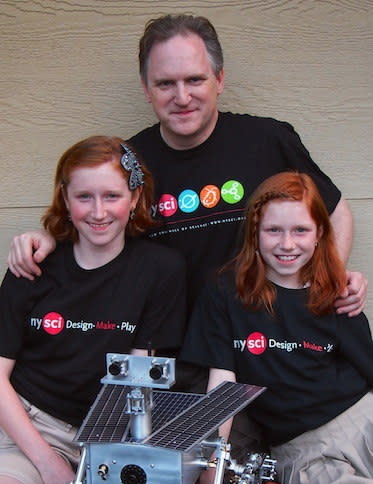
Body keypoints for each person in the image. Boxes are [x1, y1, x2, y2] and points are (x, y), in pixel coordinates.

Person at [7, 14, 367, 327]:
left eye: (195, 80)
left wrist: (323, 284)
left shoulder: (267, 139)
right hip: (167, 347)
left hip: (265, 338)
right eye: (165, 83)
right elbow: (93, 217)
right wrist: (49, 239)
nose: (181, 97)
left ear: (220, 80)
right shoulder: (129, 159)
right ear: (147, 89)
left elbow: (335, 212)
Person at [175, 171, 373, 484]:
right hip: (302, 448)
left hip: (360, 416)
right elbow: (222, 390)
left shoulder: (336, 292)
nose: (287, 244)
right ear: (254, 233)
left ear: (319, 233)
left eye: (300, 230)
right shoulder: (225, 293)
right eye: (273, 231)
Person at [0, 135, 186, 484]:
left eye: (112, 196)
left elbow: (139, 375)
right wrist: (47, 463)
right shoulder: (32, 268)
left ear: (135, 197)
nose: (98, 212)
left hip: (92, 434)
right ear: (65, 199)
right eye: (84, 197)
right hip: (24, 423)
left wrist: (138, 454)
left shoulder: (160, 270)